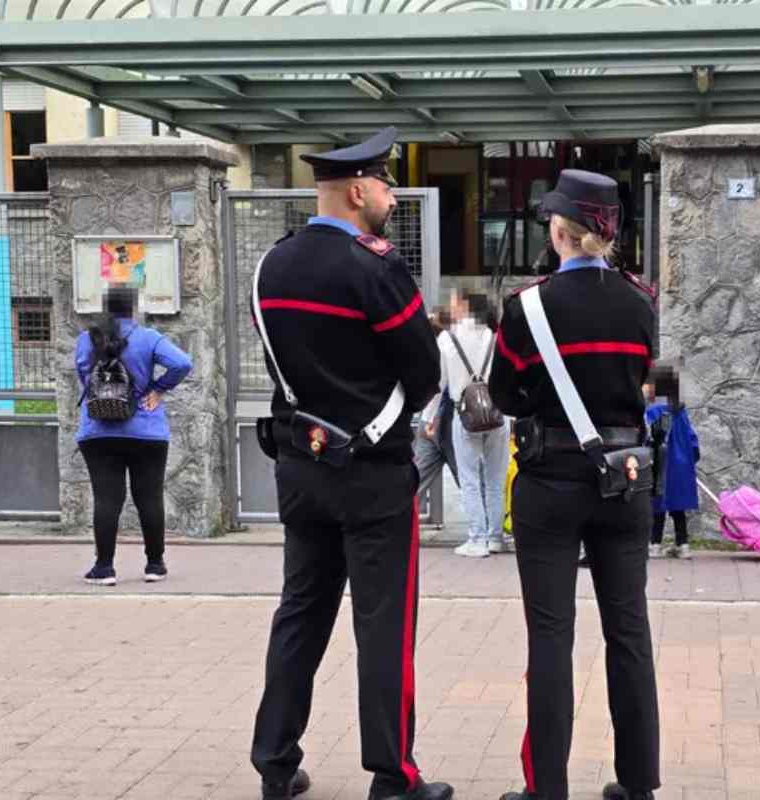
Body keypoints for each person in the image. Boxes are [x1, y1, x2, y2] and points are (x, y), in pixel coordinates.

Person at [249, 127, 451, 800]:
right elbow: (423, 373)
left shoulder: (271, 266)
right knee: (383, 626)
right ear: (360, 189)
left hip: (300, 470)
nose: (392, 197)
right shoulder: (376, 267)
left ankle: (275, 763)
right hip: (372, 475)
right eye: (388, 185)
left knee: (300, 614)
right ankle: (393, 776)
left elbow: (284, 365)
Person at [490, 169, 660, 800]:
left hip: (550, 480)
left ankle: (549, 789)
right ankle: (638, 783)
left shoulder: (528, 306)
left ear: (559, 232)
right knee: (629, 632)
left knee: (551, 636)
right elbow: (645, 375)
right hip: (624, 480)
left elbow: (507, 394)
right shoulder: (641, 301)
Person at [74, 286, 192, 586]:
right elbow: (182, 363)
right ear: (134, 308)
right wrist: (158, 389)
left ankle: (104, 568)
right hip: (146, 430)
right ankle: (154, 565)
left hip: (98, 431)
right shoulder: (148, 337)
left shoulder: (87, 340)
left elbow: (83, 376)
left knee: (106, 498)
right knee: (149, 496)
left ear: (104, 308)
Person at [435, 292, 509, 557]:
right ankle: (495, 537)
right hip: (498, 414)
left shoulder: (447, 338)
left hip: (465, 414)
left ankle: (476, 538)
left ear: (466, 307)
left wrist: (431, 416)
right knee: (495, 479)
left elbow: (439, 383)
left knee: (469, 479)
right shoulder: (496, 337)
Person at [644, 367, 700, 559]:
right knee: (678, 506)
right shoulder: (680, 412)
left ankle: (655, 544)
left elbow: (649, 438)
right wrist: (691, 459)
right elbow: (692, 439)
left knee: (658, 504)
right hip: (681, 465)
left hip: (660, 465)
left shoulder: (653, 411)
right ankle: (683, 545)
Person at [414, 307, 459, 498]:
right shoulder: (456, 346)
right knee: (469, 481)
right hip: (452, 422)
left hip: (430, 421)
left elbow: (434, 386)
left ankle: (403, 523)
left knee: (414, 482)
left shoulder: (437, 348)